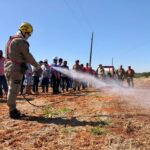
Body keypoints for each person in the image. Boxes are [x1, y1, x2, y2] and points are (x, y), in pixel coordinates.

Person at [4, 22, 40, 119]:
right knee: (14, 90)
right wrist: (37, 65)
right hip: (15, 68)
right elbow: (27, 55)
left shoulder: (10, 40)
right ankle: (13, 111)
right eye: (29, 34)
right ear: (24, 31)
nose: (29, 36)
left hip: (8, 67)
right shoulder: (20, 41)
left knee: (11, 88)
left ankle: (12, 109)